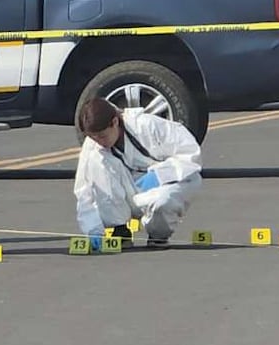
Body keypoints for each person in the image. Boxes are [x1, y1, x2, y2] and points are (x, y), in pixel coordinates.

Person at [73, 98, 202, 249]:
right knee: (95, 160)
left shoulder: (146, 125)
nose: (99, 142)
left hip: (168, 183)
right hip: (131, 189)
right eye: (93, 138)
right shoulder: (93, 145)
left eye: (102, 136)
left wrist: (160, 175)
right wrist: (93, 230)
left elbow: (190, 153)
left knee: (162, 201)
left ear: (115, 122)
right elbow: (85, 190)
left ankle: (158, 235)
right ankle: (120, 230)